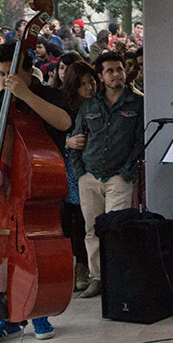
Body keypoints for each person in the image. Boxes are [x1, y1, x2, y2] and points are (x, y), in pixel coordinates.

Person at [0, 41, 72, 343]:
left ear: (27, 71)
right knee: (2, 254)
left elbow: (65, 122)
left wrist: (24, 94)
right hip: (4, 195)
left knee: (36, 251)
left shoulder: (48, 96)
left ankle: (39, 309)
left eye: (9, 73)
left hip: (39, 191)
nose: (2, 80)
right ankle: (7, 317)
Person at [71, 51, 144, 299]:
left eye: (119, 69)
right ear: (101, 76)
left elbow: (140, 142)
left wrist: (127, 172)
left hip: (118, 176)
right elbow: (76, 139)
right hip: (89, 174)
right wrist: (80, 172)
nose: (116, 75)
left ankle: (116, 277)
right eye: (110, 71)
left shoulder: (137, 102)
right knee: (91, 229)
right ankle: (97, 278)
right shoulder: (89, 105)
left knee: (115, 229)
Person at [59, 60, 97, 293]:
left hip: (93, 165)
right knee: (75, 218)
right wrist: (67, 142)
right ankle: (79, 266)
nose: (89, 87)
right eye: (82, 84)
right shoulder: (64, 107)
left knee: (90, 219)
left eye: (91, 81)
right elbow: (52, 134)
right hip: (70, 168)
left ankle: (90, 267)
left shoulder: (99, 104)